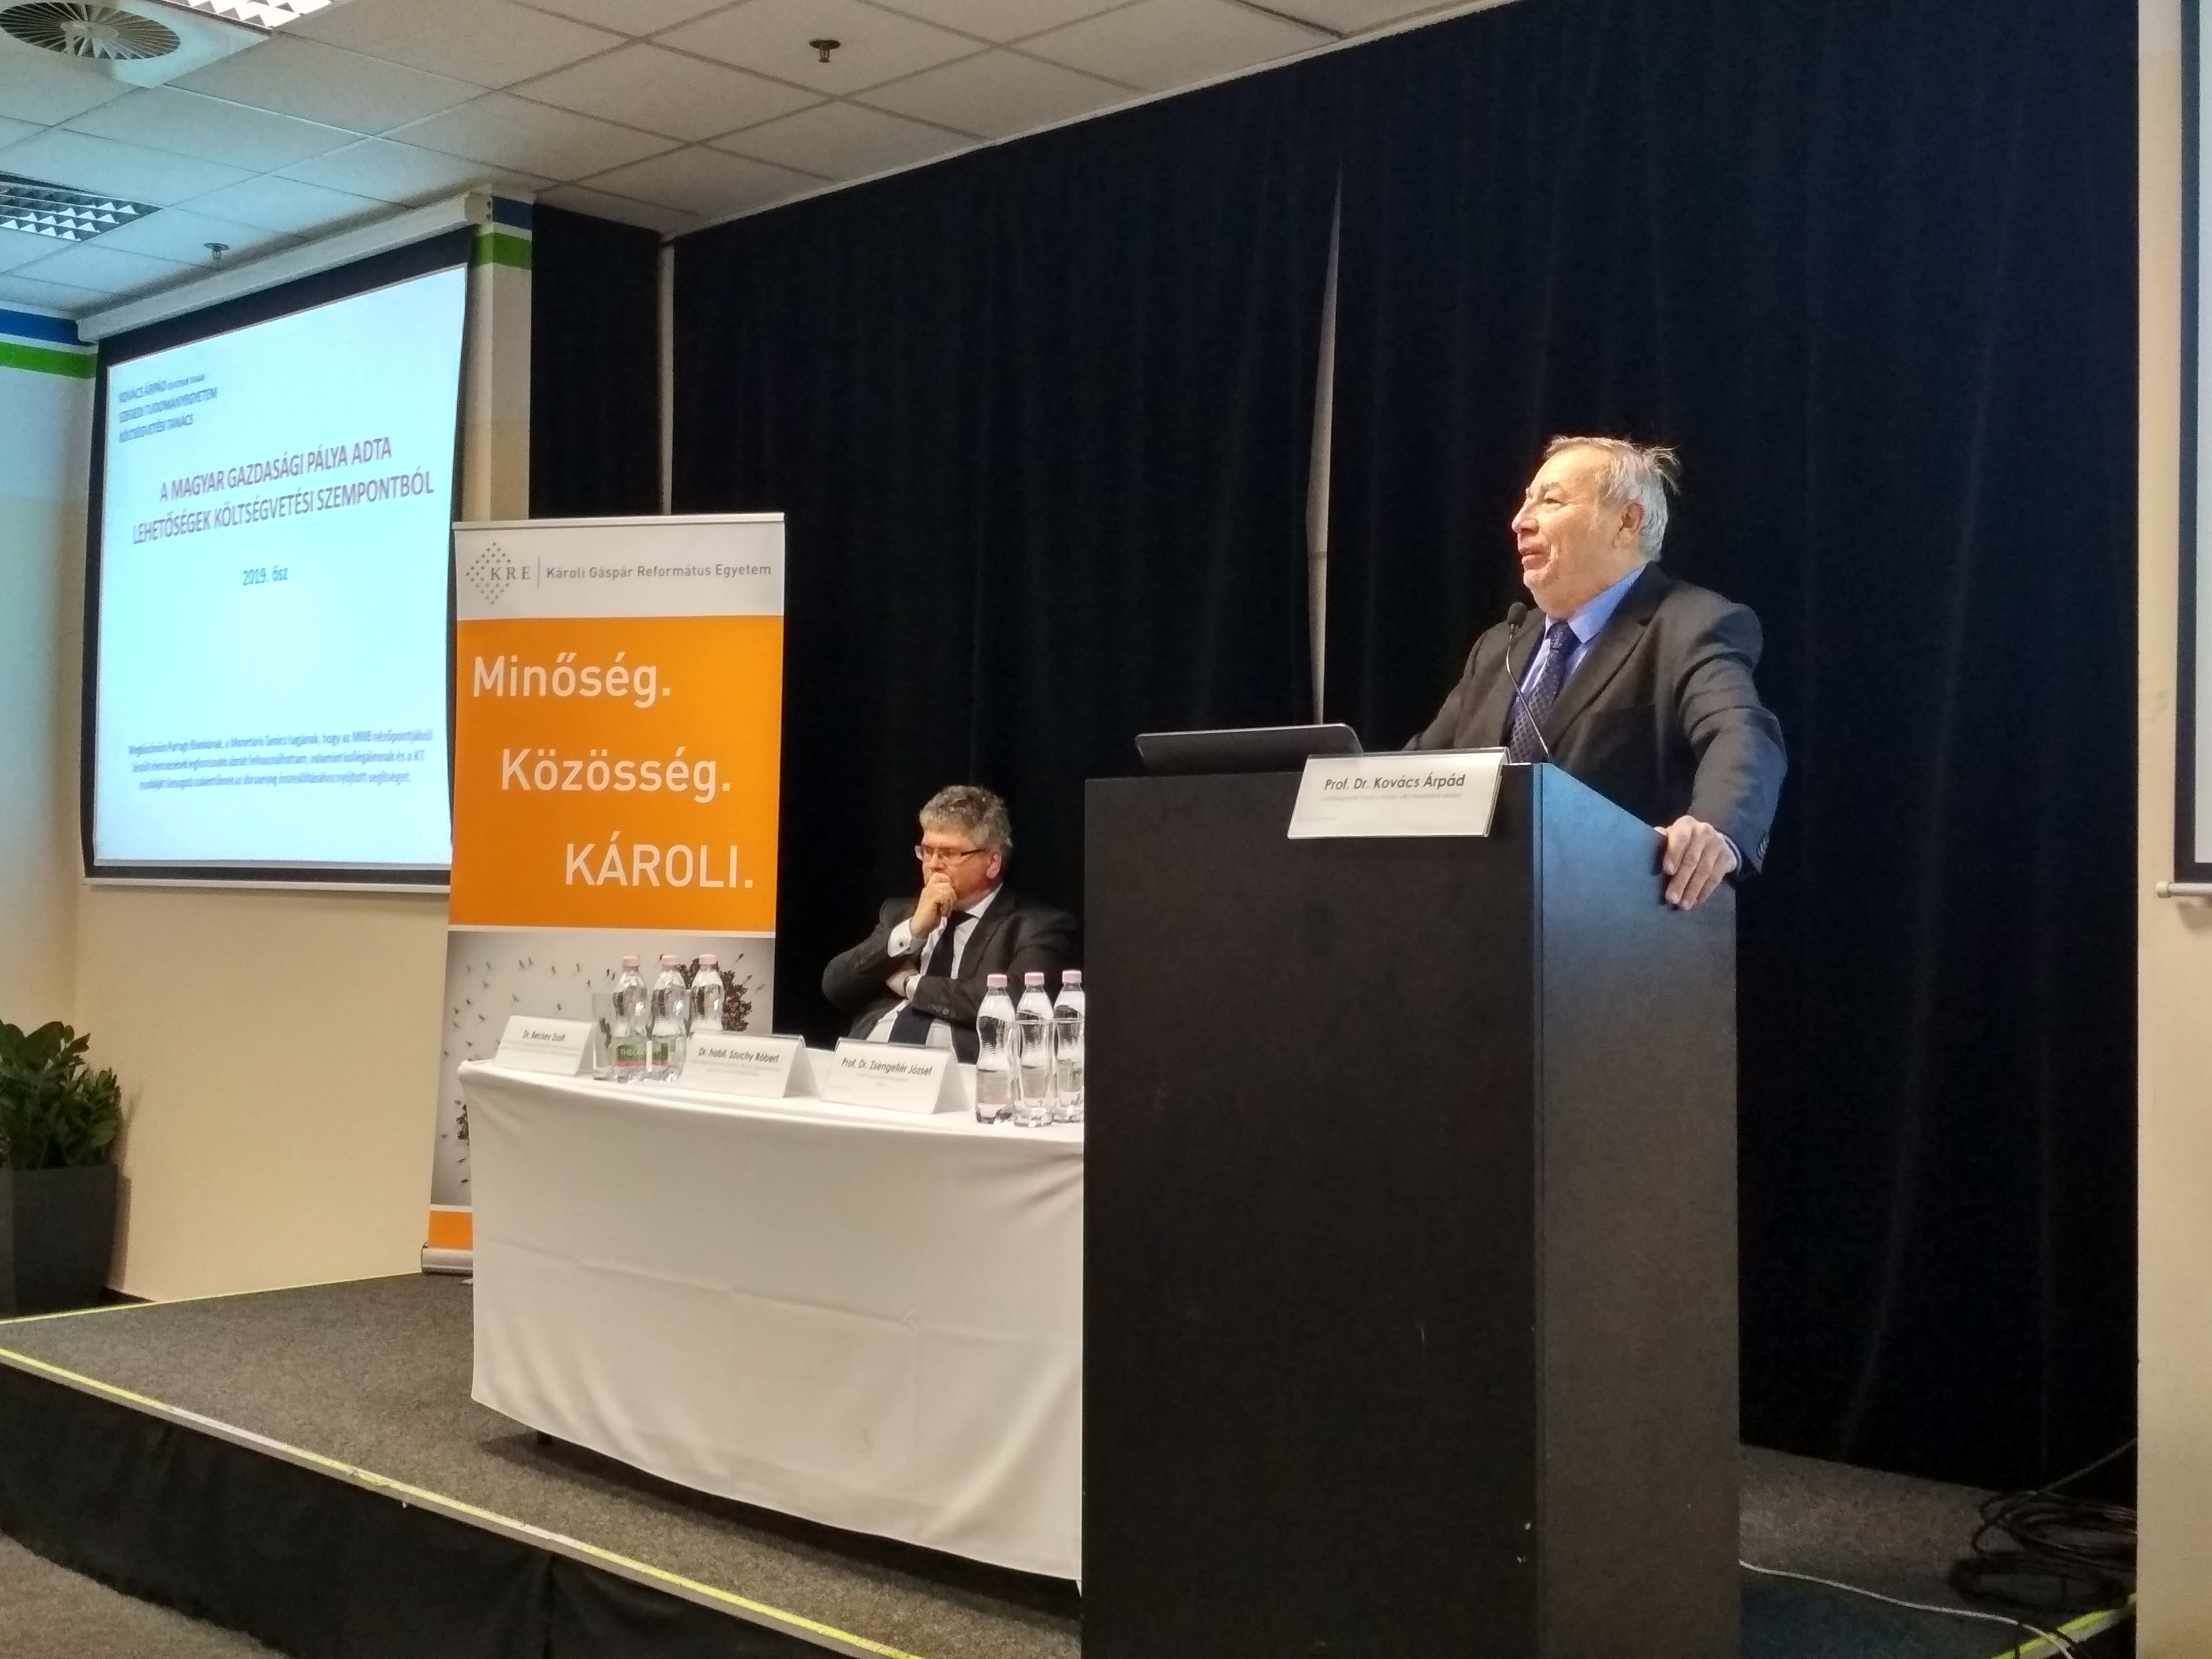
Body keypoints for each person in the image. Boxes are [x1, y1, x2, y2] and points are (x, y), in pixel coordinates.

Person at [1410, 436, 1786, 911]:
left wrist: (1716, 829)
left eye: (1550, 502)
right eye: (1526, 502)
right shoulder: (1499, 646)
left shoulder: (1689, 625)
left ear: (1627, 522)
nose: (1520, 521)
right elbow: (1421, 768)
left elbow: (1740, 733)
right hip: (1470, 916)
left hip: (1611, 924)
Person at [822, 785, 1076, 1061]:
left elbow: (1015, 1003)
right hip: (870, 1062)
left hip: (961, 1069)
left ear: (993, 863)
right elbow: (836, 986)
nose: (933, 864)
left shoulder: (1037, 926)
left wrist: (911, 984)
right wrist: (914, 931)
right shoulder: (899, 914)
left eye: (949, 853)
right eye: (927, 851)